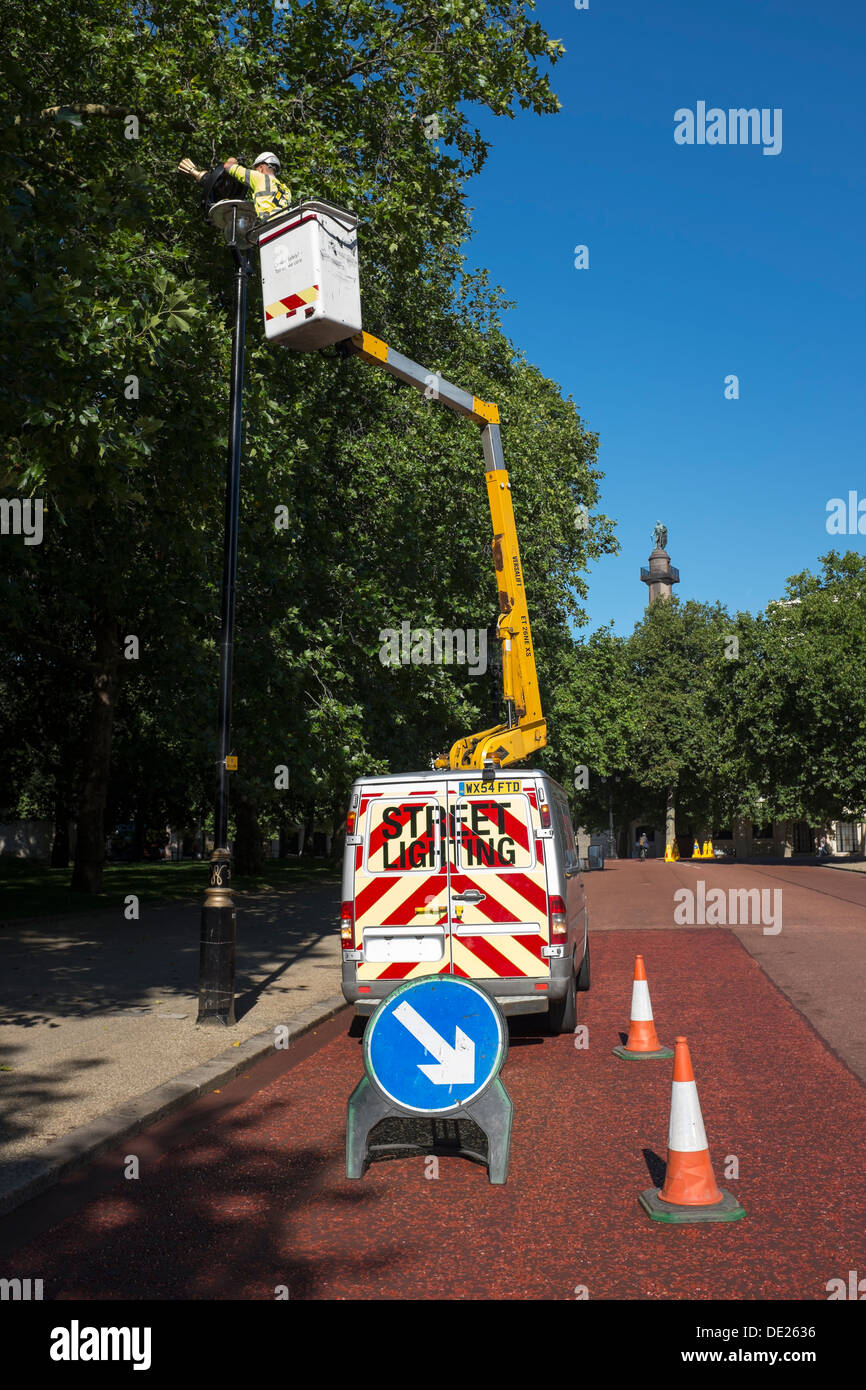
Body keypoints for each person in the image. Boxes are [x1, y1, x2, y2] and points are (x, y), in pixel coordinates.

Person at [177, 150, 292, 222]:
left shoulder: (258, 177)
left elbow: (228, 166)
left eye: (256, 168)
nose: (255, 170)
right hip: (286, 223)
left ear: (261, 167)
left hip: (269, 224)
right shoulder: (285, 189)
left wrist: (233, 159)